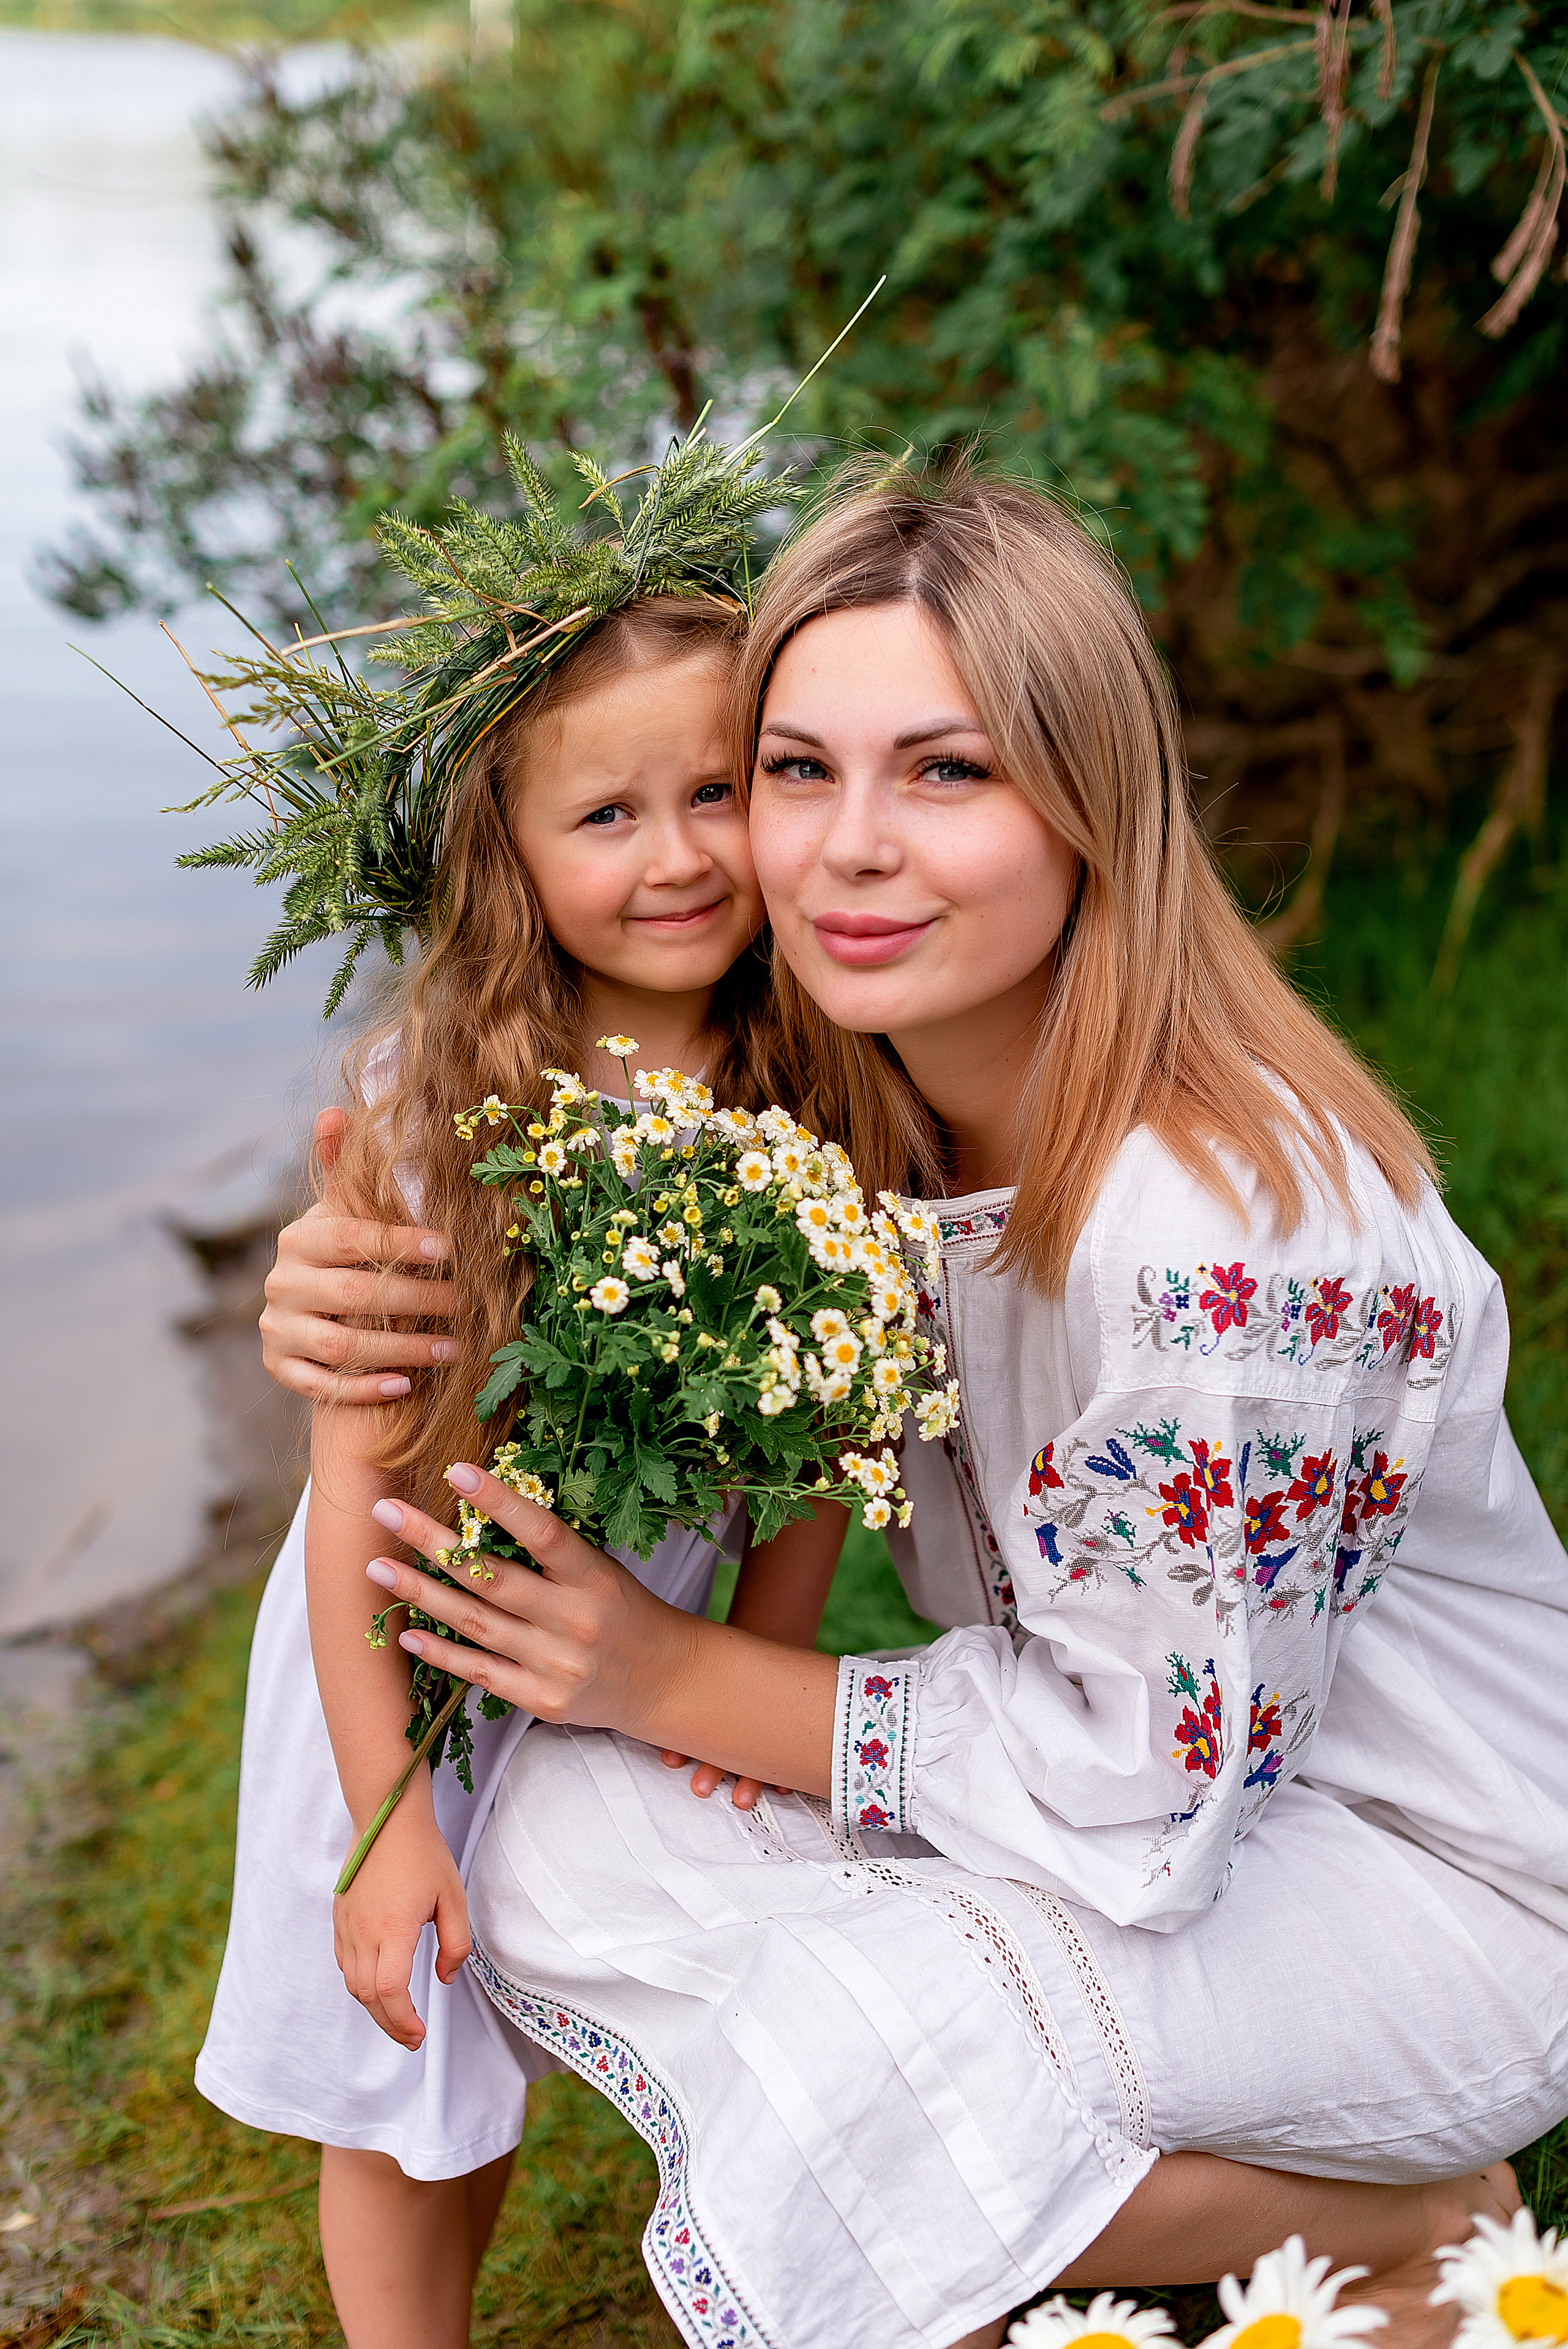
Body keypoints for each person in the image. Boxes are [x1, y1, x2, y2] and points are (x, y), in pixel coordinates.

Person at [347, 466, 1568, 2349]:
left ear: (1092, 804)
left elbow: (1150, 1792)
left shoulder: (1227, 1231)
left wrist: (671, 1674)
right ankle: (1249, 2211)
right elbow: (494, 1196)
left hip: (1424, 1888)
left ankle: (1408, 2214)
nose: (846, 849)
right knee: (557, 1837)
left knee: (862, 2033)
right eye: (797, 769)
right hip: (1143, 1827)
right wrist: (345, 1285)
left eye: (947, 770)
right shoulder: (871, 1120)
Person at [197, 578, 850, 2349]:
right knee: (408, 2038)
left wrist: (767, 1679)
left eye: (718, 790)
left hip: (651, 1630)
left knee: (499, 2023)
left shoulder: (819, 1082)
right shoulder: (457, 1099)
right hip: (407, 1663)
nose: (680, 855)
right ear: (511, 851)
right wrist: (388, 1812)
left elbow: (813, 1446)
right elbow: (358, 1501)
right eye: (606, 814)